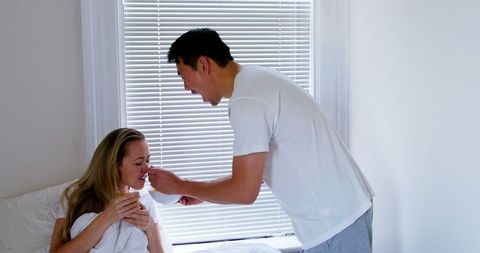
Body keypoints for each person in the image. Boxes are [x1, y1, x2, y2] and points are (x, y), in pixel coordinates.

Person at [147, 28, 375, 253]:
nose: (186, 87)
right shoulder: (256, 81)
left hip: (335, 224)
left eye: (183, 76)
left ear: (204, 65)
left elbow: (244, 191)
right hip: (339, 218)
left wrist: (181, 186)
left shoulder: (247, 99)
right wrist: (199, 190)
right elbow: (253, 175)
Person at [49, 128, 171, 253]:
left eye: (148, 160)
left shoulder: (144, 198)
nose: (147, 168)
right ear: (114, 165)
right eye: (138, 163)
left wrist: (150, 227)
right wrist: (107, 217)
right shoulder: (75, 195)